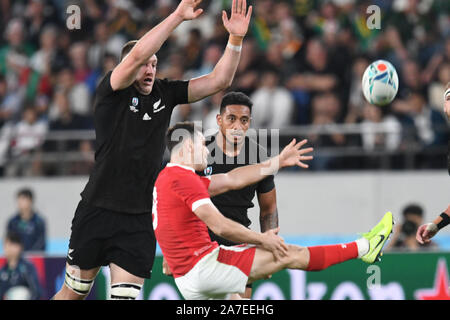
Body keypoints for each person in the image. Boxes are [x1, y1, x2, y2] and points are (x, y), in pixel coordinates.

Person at [53, 0, 253, 300]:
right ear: (128, 66)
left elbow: (218, 80)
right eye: (145, 64)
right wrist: (177, 16)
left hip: (138, 219)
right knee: (73, 295)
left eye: (155, 64)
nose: (150, 69)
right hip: (96, 210)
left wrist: (235, 40)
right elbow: (136, 54)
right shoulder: (112, 91)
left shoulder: (165, 93)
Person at [154, 122, 394, 300]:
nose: (207, 150)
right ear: (187, 146)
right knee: (287, 253)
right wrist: (263, 240)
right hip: (204, 268)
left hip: (186, 276)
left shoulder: (167, 178)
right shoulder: (184, 180)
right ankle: (365, 247)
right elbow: (220, 225)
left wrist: (276, 162)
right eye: (201, 145)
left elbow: (230, 180)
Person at [163, 92, 278, 299]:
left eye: (243, 120)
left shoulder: (259, 157)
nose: (237, 126)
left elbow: (268, 208)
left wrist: (271, 248)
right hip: (200, 247)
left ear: (249, 123)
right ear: (219, 120)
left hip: (239, 239)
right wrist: (167, 252)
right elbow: (172, 200)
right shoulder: (199, 152)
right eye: (231, 118)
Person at [0, 232, 42, 300]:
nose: (7, 248)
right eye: (5, 244)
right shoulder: (2, 271)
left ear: (19, 246)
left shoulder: (27, 268)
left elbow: (37, 292)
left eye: (11, 244)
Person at [6, 188, 46, 252]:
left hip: (34, 258)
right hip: (16, 258)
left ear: (30, 201)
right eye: (18, 200)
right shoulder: (13, 222)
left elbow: (41, 244)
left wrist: (28, 255)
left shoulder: (39, 222)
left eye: (23, 199)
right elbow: (9, 241)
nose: (19, 203)